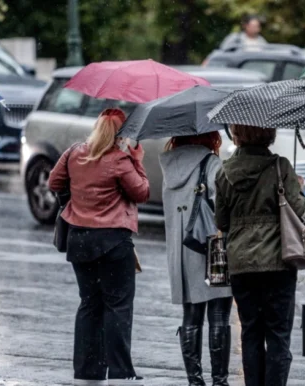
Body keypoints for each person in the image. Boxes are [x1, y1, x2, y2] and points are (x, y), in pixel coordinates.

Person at [48, 108, 149, 386]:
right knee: (117, 306)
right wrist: (137, 160)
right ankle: (120, 374)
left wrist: (79, 195)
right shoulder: (119, 159)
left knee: (89, 305)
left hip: (79, 239)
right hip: (113, 241)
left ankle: (87, 372)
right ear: (121, 134)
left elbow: (54, 181)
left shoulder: (74, 152)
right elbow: (141, 191)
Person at [214, 125, 305, 386]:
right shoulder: (281, 167)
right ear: (269, 134)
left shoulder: (225, 172)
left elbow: (222, 220)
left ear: (237, 135)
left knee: (251, 332)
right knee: (278, 333)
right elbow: (299, 211)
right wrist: (297, 188)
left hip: (242, 264)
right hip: (279, 261)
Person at [159, 132, 233, 386]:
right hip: (212, 247)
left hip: (182, 250)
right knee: (220, 314)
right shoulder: (210, 163)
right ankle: (220, 381)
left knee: (191, 315)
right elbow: (224, 203)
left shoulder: (168, 166)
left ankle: (195, 381)